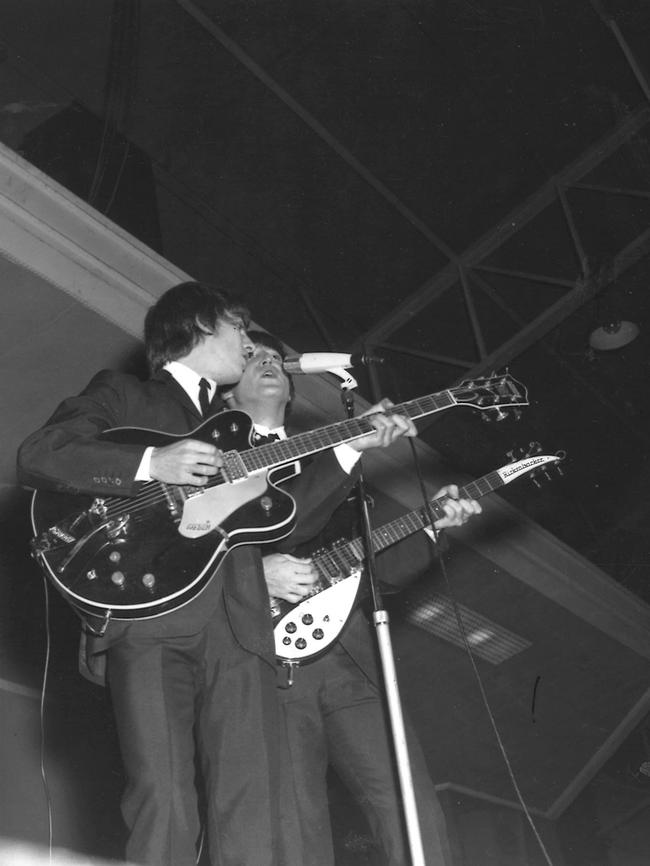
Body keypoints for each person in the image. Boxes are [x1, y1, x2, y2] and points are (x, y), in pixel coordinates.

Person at [16, 283, 417, 866]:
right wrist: (153, 462)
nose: (250, 344)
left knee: (255, 801)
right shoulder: (126, 394)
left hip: (241, 626)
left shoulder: (242, 426)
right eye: (240, 328)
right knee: (166, 795)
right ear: (201, 325)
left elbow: (289, 515)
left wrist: (355, 445)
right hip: (150, 615)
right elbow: (40, 453)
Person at [223, 330, 482, 866]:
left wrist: (431, 525)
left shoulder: (332, 460)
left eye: (276, 357)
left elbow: (371, 567)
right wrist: (253, 573)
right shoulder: (209, 460)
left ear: (293, 392)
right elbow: (180, 559)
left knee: (411, 807)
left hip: (354, 658)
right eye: (251, 358)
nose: (269, 362)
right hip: (269, 665)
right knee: (295, 824)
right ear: (226, 391)